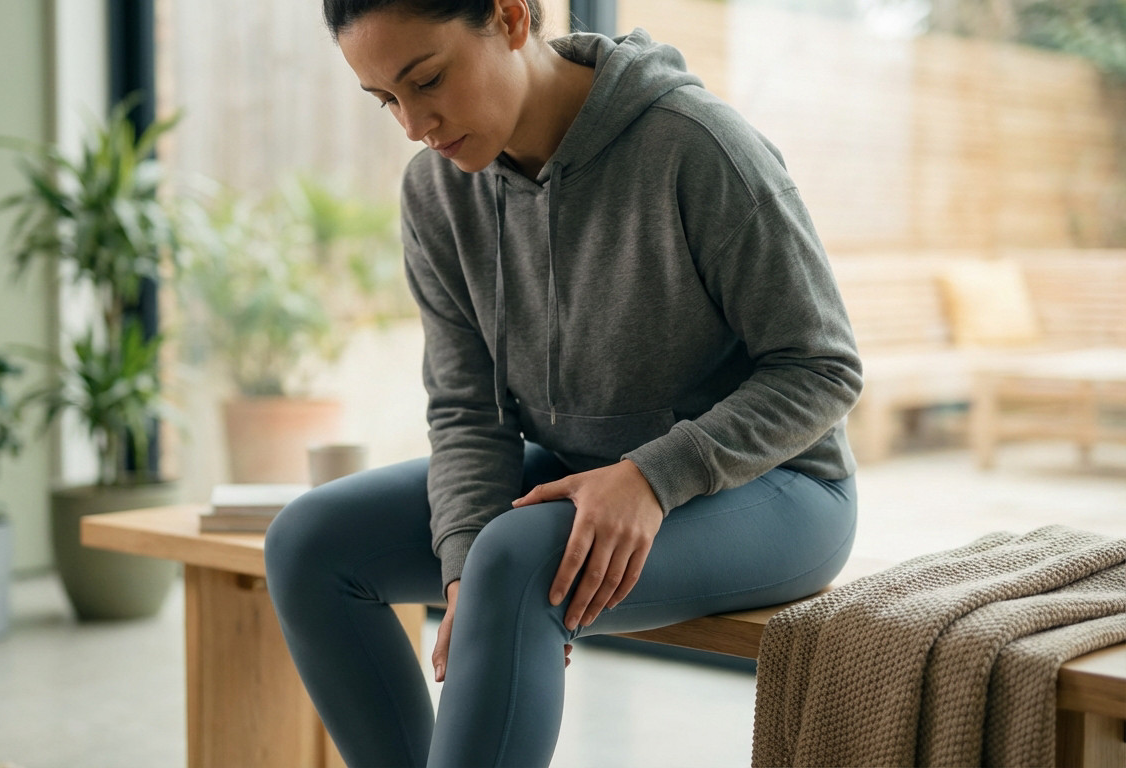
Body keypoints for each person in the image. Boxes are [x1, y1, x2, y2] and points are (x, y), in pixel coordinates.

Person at [264, 1, 862, 765]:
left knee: (518, 562)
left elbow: (822, 367)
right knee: (310, 542)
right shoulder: (437, 193)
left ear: (511, 17)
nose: (414, 125)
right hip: (580, 470)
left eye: (429, 80)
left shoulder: (695, 145)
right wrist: (461, 565)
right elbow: (468, 412)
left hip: (777, 489)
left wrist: (650, 478)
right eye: (387, 99)